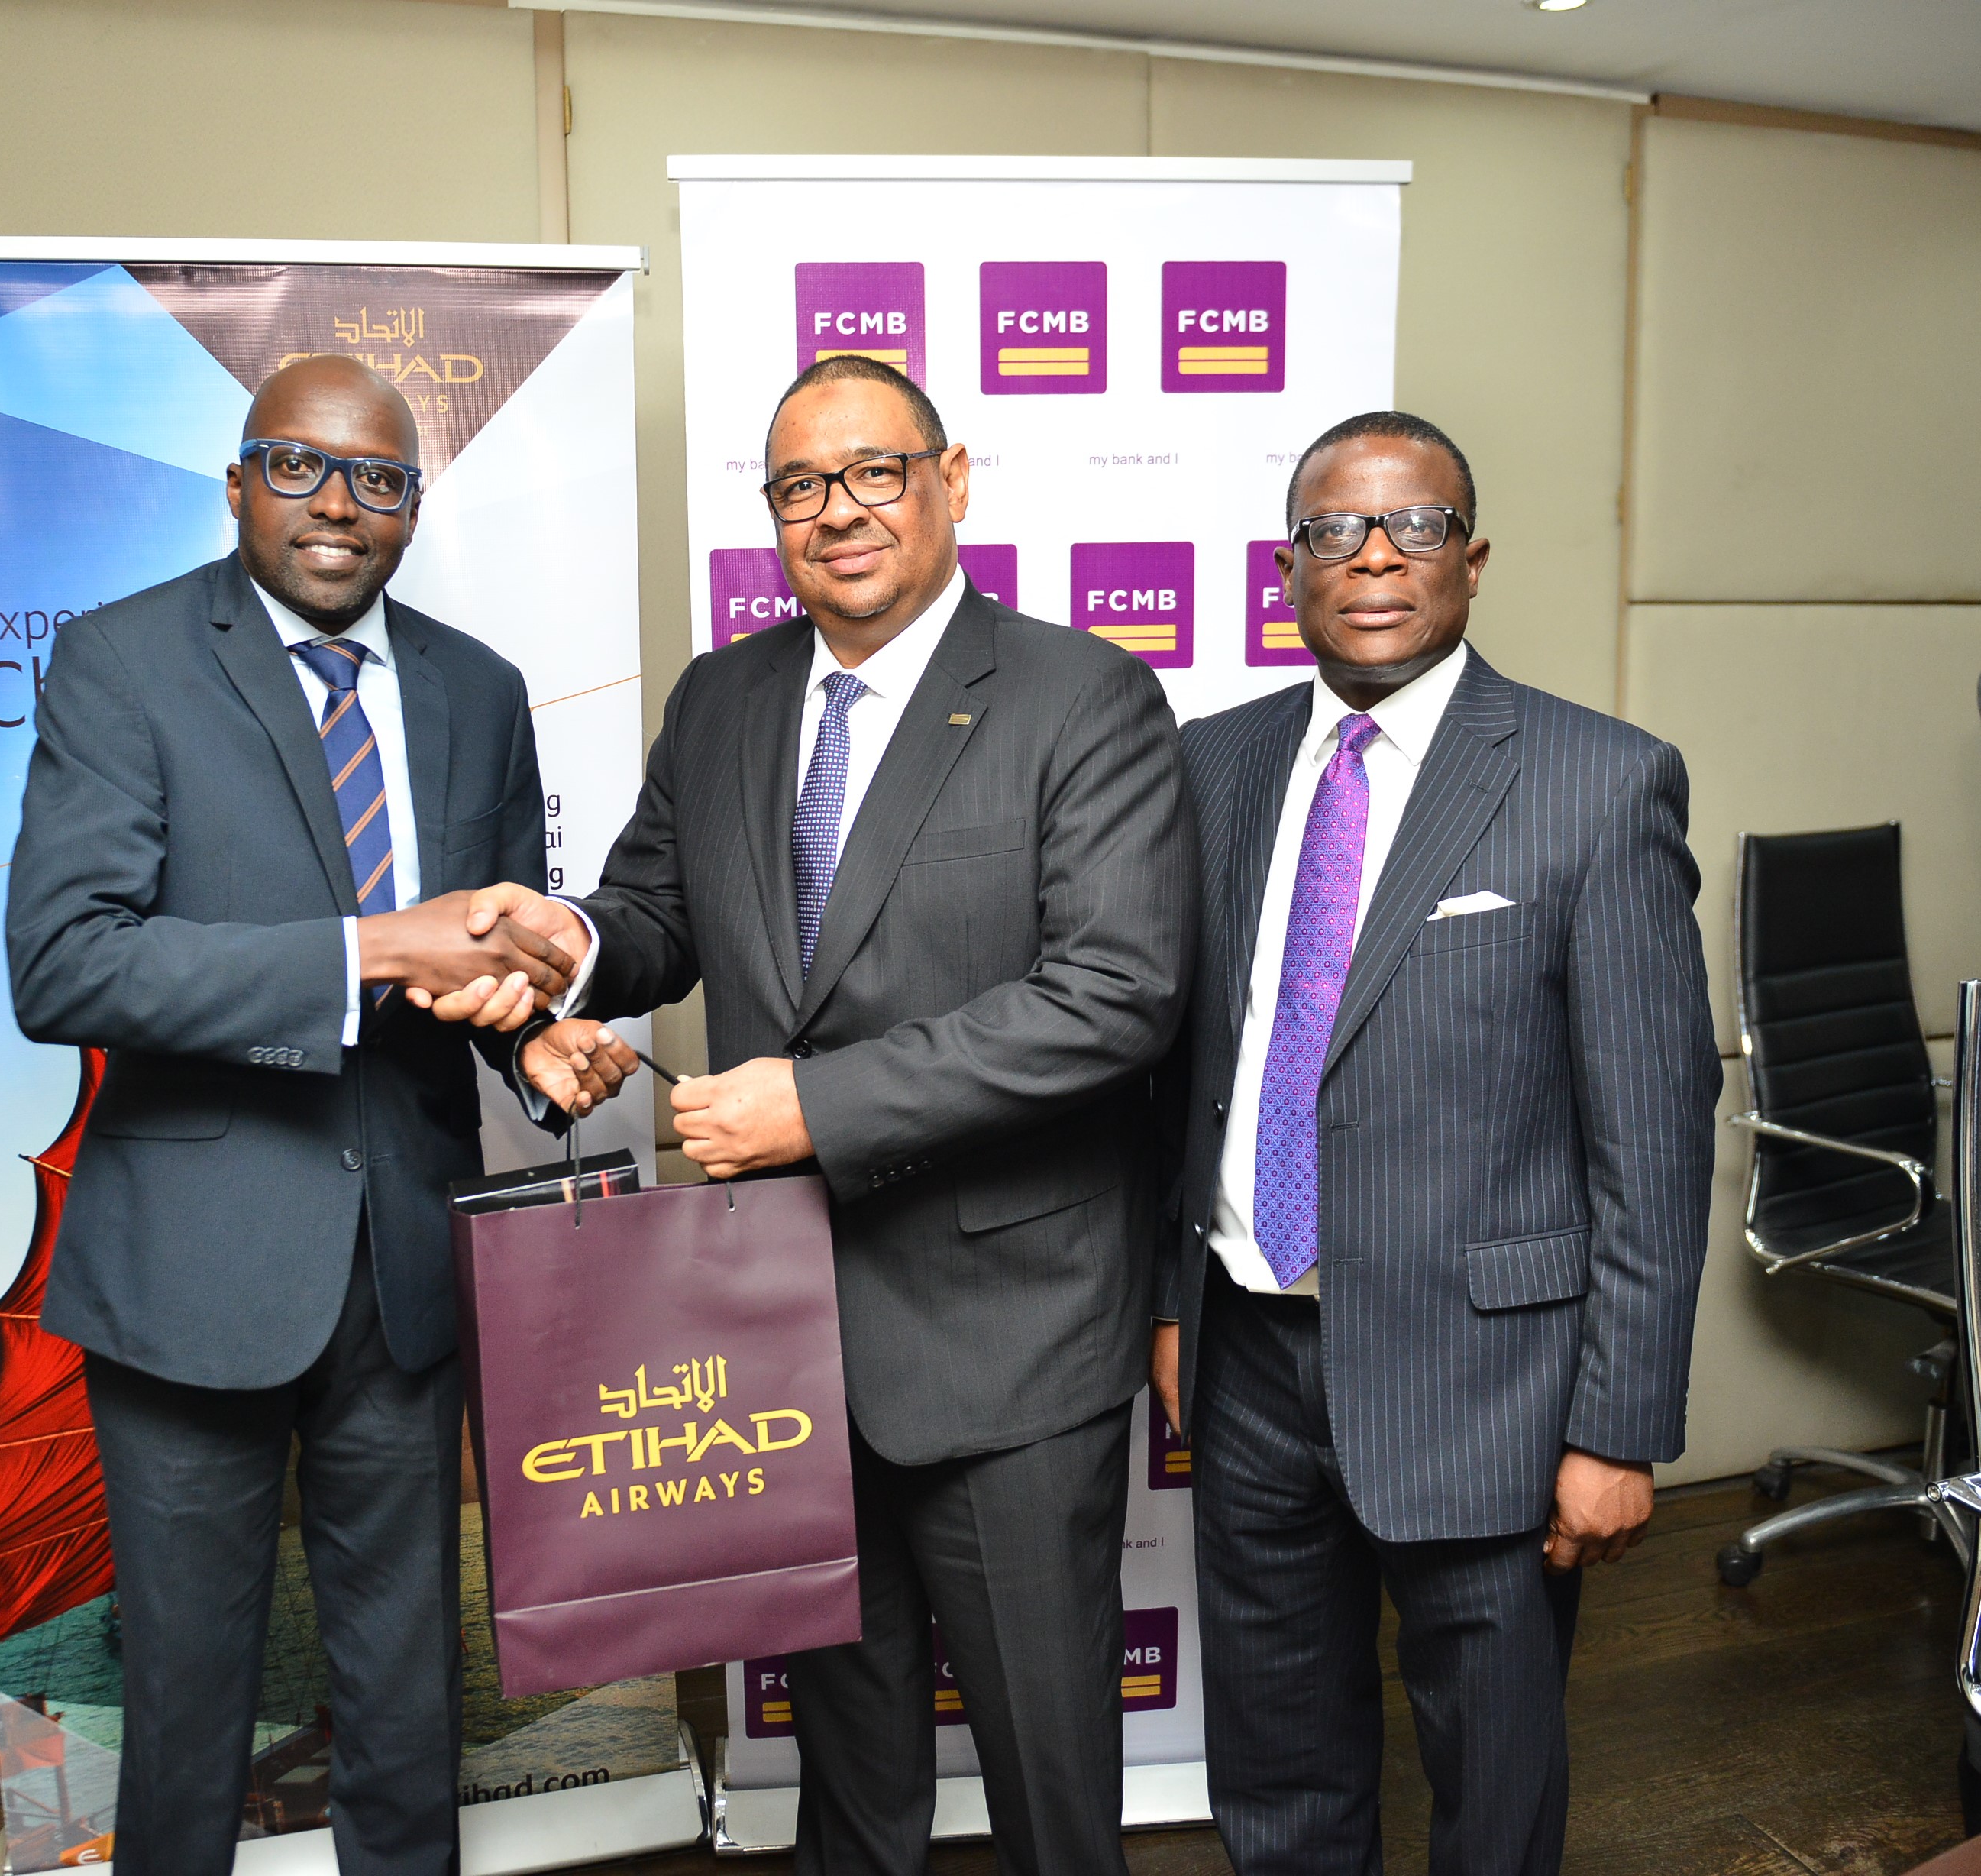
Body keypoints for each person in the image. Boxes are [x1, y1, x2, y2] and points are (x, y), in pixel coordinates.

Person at [431, 355, 1196, 1875]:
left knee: (1053, 1776)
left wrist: (819, 1107)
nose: (837, 512)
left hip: (1008, 1340)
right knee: (849, 1781)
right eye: (799, 485)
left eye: (873, 472)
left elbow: (1116, 992)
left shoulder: (1081, 696)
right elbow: (655, 906)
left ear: (950, 480)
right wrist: (560, 954)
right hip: (777, 1342)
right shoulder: (724, 697)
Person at [4, 356, 577, 1876]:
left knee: (403, 1695)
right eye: (300, 465)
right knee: (189, 1701)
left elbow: (496, 965)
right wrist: (372, 946)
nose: (340, 503)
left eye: (379, 477)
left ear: (412, 504)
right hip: (193, 1274)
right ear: (240, 480)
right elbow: (64, 960)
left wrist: (541, 1055)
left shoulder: (476, 687)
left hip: (397, 1269)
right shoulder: (124, 664)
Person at [1150, 410, 1719, 1875]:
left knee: (1495, 1783)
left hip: (1496, 1388)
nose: (1376, 557)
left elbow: (1655, 1134)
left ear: (1472, 559)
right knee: (1277, 1772)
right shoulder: (1216, 767)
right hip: (1255, 1358)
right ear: (1291, 571)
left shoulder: (1598, 781)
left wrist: (1617, 1427)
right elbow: (1184, 1064)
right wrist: (1174, 1301)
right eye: (1337, 530)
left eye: (1413, 525)